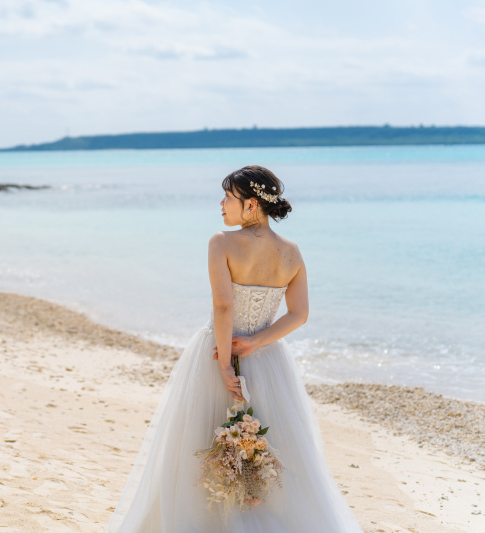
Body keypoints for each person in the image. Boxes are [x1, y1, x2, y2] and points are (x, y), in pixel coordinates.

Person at [105, 165, 363, 532]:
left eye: (228, 197)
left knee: (200, 440)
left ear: (251, 205)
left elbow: (224, 306)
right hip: (268, 358)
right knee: (274, 444)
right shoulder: (292, 253)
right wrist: (257, 342)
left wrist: (226, 364)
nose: (221, 203)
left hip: (219, 351)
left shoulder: (221, 243)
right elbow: (300, 314)